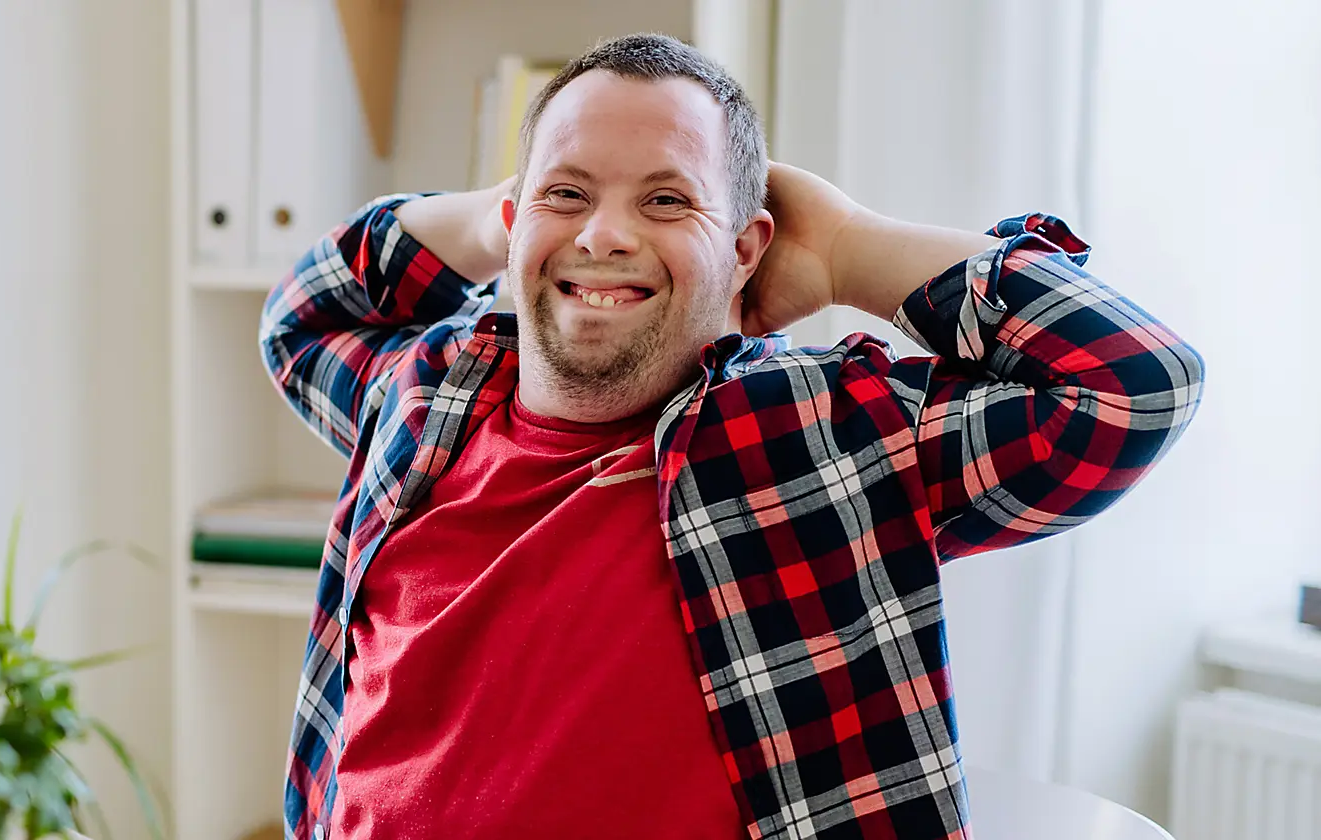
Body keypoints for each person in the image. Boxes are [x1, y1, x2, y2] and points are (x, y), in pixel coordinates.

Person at [259, 32, 1203, 840]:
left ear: (746, 248)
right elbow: (300, 317)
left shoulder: (825, 434)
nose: (603, 236)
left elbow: (1137, 386)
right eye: (568, 194)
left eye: (666, 200)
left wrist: (843, 247)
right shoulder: (421, 399)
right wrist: (490, 221)